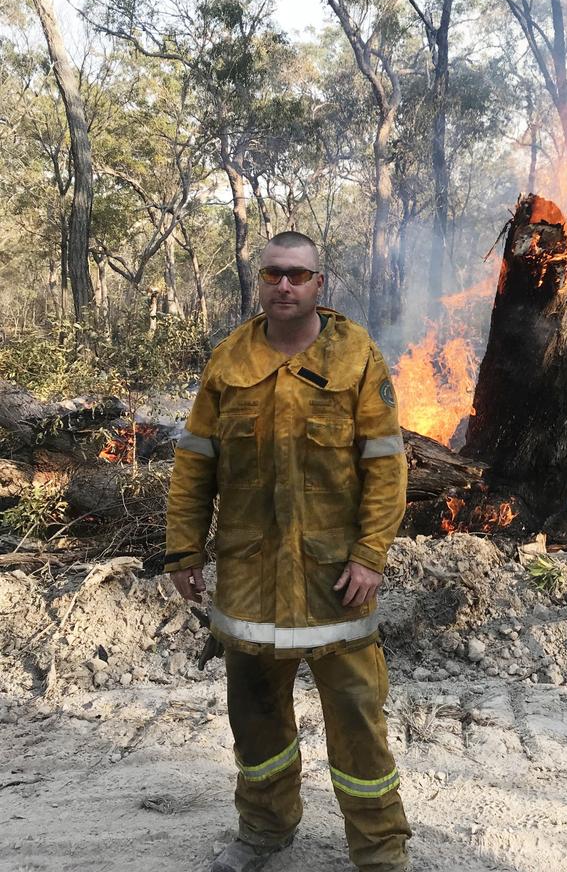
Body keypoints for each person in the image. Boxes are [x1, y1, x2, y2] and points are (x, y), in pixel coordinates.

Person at [165, 231, 411, 872]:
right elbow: (195, 464)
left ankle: (380, 853)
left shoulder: (356, 356)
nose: (284, 286)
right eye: (274, 274)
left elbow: (385, 467)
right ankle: (264, 830)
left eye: (298, 275)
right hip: (249, 575)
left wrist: (370, 555)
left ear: (318, 284)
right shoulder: (228, 361)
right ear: (260, 280)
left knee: (357, 715)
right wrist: (183, 551)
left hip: (336, 575)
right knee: (255, 716)